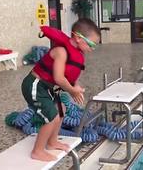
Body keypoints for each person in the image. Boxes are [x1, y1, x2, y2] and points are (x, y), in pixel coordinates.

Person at [21, 18, 100, 161]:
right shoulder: (61, 51)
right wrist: (72, 90)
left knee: (61, 110)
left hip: (46, 87)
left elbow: (69, 74)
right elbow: (58, 78)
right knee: (51, 118)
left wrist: (75, 85)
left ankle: (52, 142)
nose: (92, 49)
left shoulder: (74, 53)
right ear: (77, 37)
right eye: (91, 44)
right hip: (35, 85)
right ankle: (37, 151)